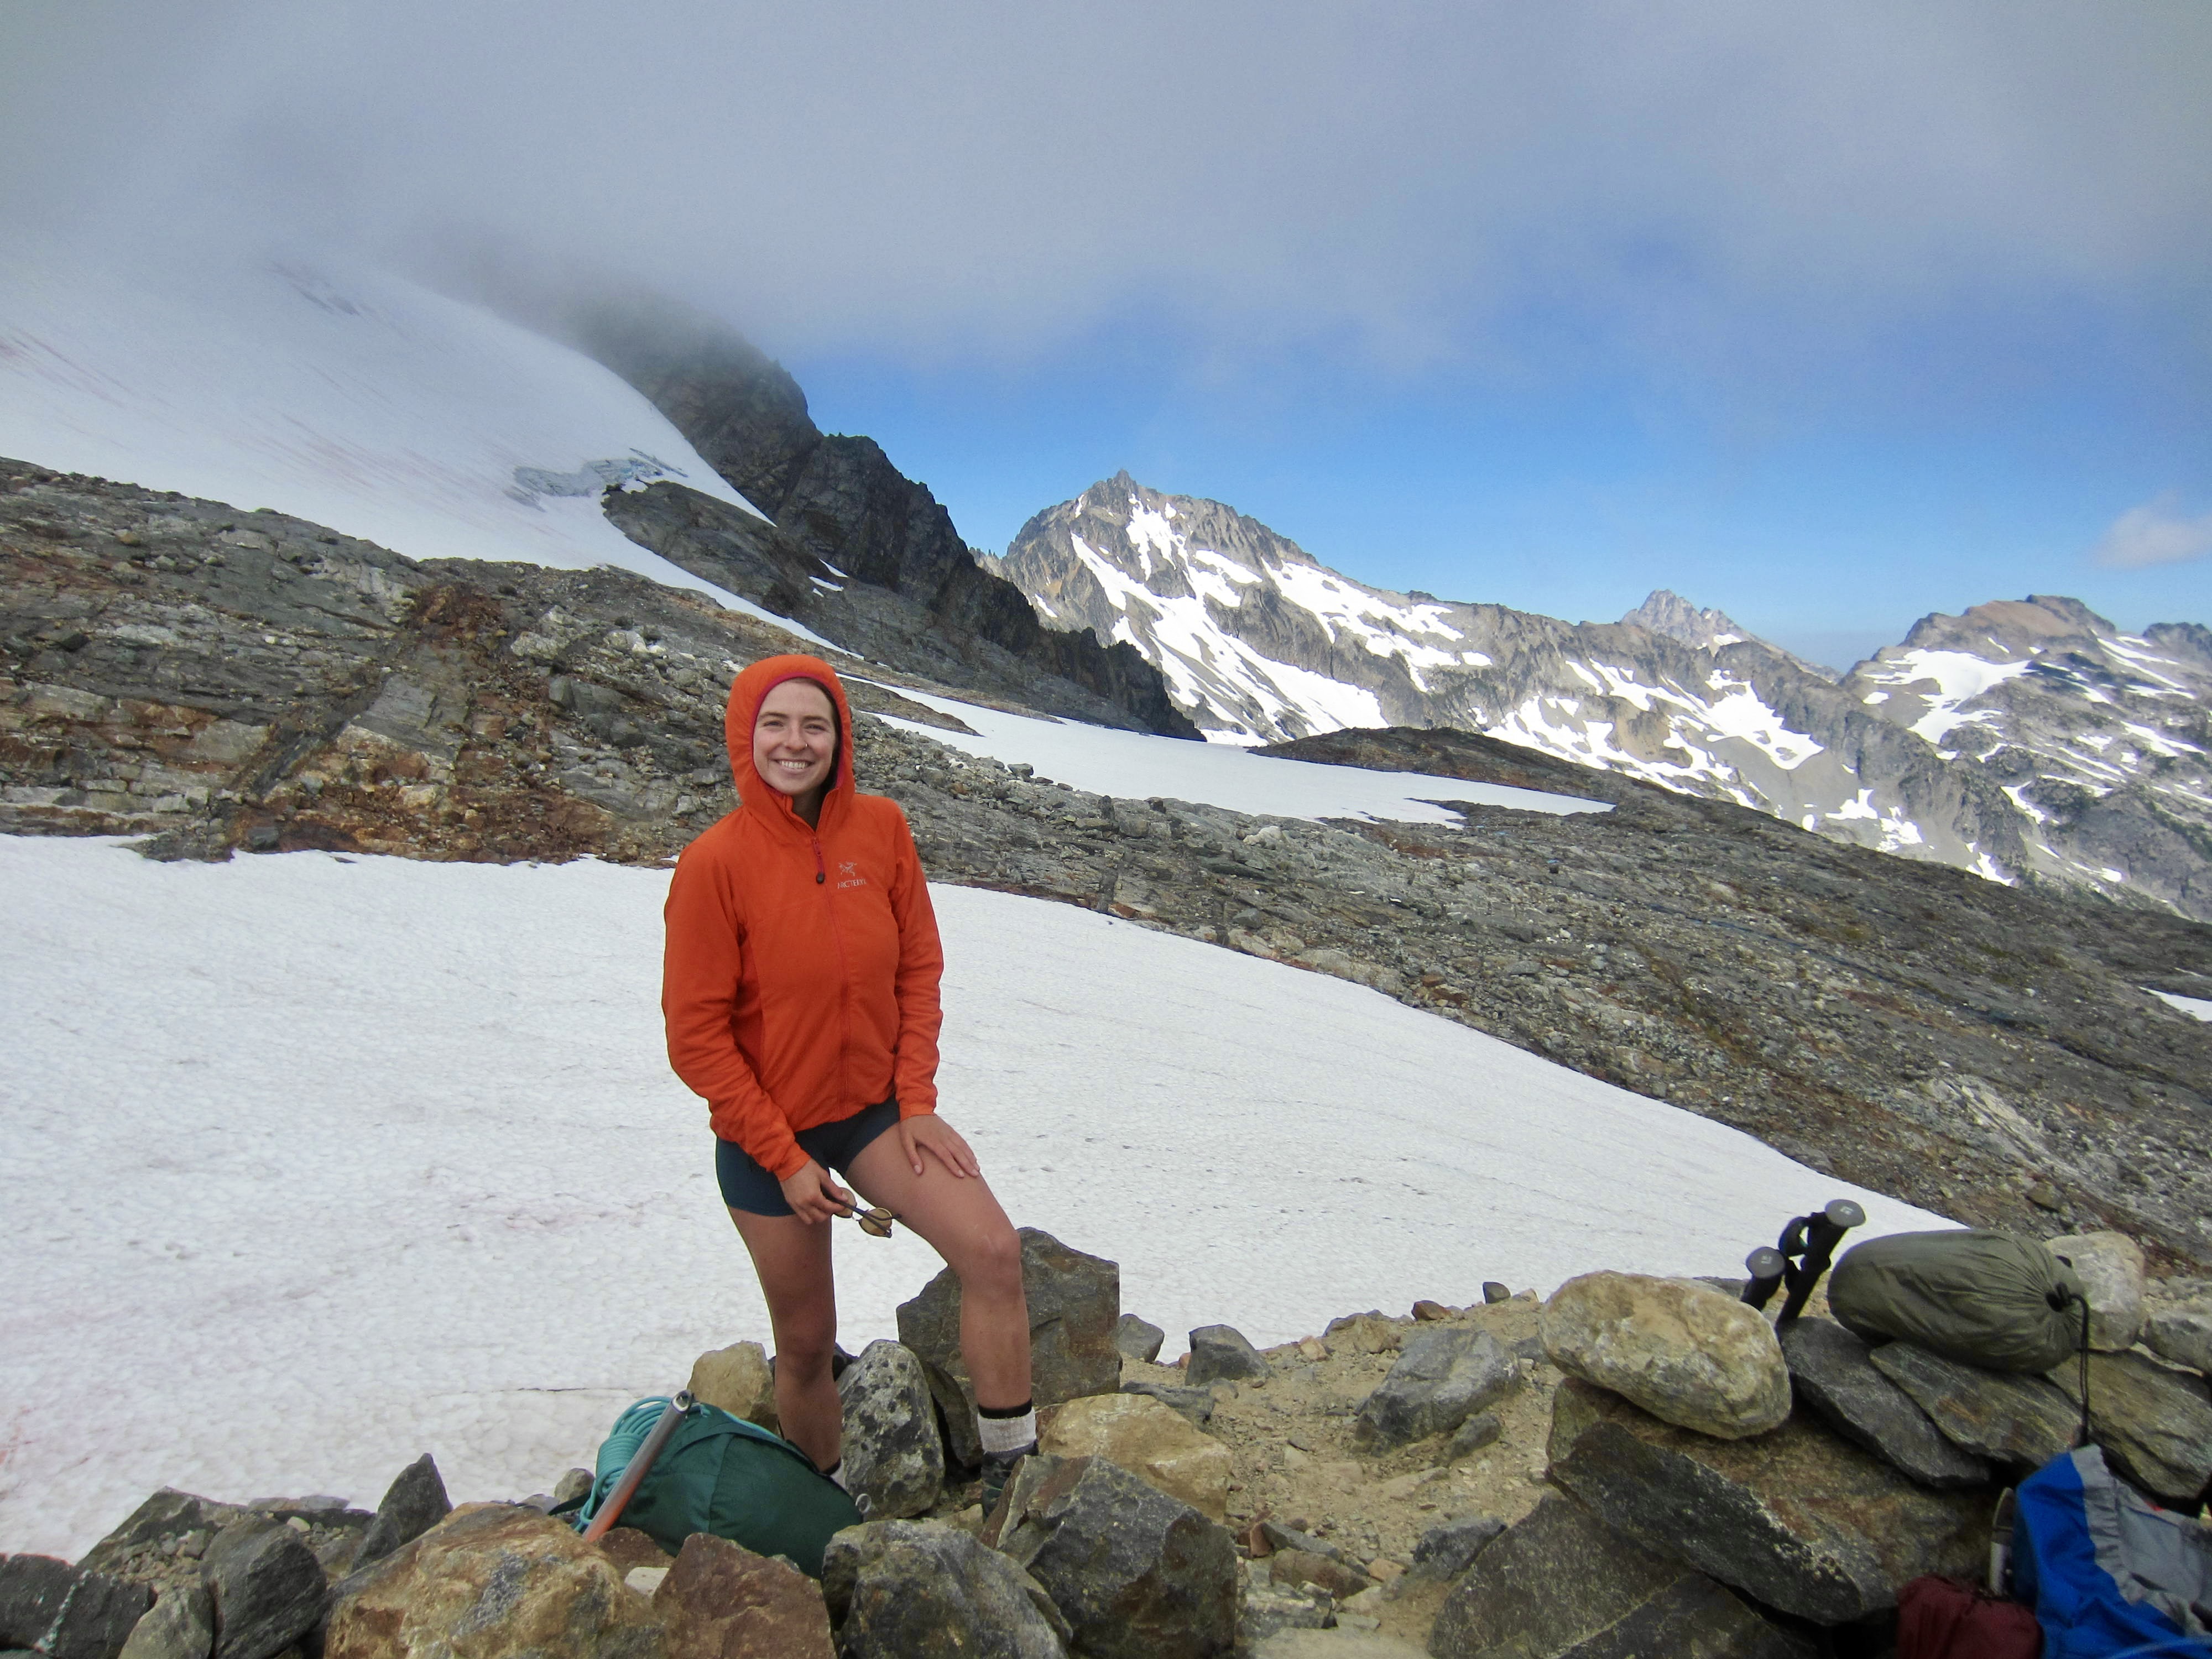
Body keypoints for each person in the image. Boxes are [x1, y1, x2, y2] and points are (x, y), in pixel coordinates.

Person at [661, 653, 1037, 1508]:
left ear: (840, 738)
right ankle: (830, 1515)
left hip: (872, 1114)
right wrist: (785, 1158)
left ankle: (1016, 1476)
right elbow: (696, 1039)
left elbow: (917, 969)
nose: (795, 743)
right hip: (766, 1140)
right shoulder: (714, 864)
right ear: (745, 733)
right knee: (805, 1345)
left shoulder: (882, 829)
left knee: (992, 1251)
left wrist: (917, 1103)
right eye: (775, 724)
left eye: (815, 725)